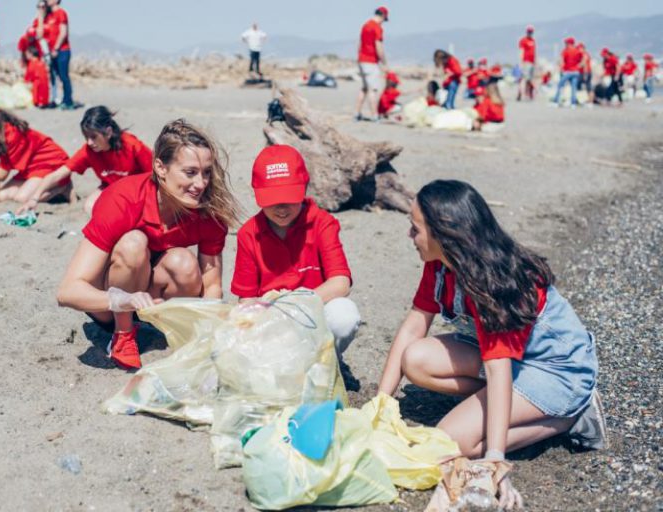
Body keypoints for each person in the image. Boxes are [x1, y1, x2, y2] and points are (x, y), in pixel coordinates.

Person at [378, 179, 606, 508]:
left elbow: (498, 372)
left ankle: (570, 417)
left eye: (415, 229)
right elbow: (413, 328)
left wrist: (494, 459)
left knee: (451, 440)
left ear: (444, 234)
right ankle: (502, 410)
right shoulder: (440, 266)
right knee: (415, 359)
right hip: (511, 362)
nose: (409, 236)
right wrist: (380, 406)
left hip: (556, 370)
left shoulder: (496, 282)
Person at [56, 120, 241, 370]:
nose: (201, 184)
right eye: (190, 172)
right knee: (133, 242)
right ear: (160, 168)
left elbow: (212, 285)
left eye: (206, 172)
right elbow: (67, 292)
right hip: (111, 303)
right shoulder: (124, 199)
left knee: (183, 262)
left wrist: (209, 333)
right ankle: (123, 336)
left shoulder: (210, 211)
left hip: (152, 301)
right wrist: (124, 300)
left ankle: (165, 326)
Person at [231, 145, 360, 356]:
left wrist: (295, 306)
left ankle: (325, 360)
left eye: (289, 198)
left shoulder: (322, 223)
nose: (281, 208)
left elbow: (340, 283)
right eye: (272, 200)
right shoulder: (249, 233)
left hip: (313, 313)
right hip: (271, 319)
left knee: (344, 315)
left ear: (304, 188)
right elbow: (246, 298)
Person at [21, 106, 154, 215]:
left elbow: (156, 173)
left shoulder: (131, 145)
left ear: (108, 132)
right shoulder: (89, 151)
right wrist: (34, 198)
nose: (90, 142)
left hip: (138, 190)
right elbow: (60, 173)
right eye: (86, 137)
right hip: (111, 187)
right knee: (89, 206)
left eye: (93, 137)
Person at [38, 0, 75, 109]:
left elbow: (63, 33)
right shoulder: (48, 16)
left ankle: (68, 101)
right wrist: (40, 15)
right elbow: (40, 34)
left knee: (64, 76)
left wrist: (56, 48)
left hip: (62, 50)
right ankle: (57, 99)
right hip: (51, 52)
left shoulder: (61, 13)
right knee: (55, 76)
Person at [354, 6, 389, 121]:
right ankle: (375, 115)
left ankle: (357, 113)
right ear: (383, 16)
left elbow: (360, 43)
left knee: (364, 88)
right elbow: (378, 46)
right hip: (370, 62)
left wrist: (359, 57)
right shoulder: (377, 28)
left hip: (361, 60)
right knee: (372, 89)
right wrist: (384, 62)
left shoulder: (365, 25)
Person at [553, 37, 582, 107]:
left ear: (569, 43)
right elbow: (583, 59)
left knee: (560, 85)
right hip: (576, 72)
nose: (565, 44)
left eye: (566, 43)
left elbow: (561, 61)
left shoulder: (565, 50)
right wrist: (578, 66)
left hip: (568, 71)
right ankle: (573, 103)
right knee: (573, 87)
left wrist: (561, 69)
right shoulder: (577, 51)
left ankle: (556, 101)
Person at [517, 25, 536, 101]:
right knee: (524, 78)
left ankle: (528, 93)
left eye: (531, 32)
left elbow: (534, 52)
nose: (530, 33)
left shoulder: (533, 41)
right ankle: (521, 94)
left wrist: (535, 62)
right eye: (529, 32)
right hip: (526, 62)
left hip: (532, 63)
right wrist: (521, 62)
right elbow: (521, 51)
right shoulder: (523, 40)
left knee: (529, 79)